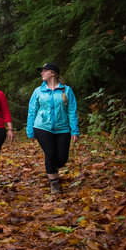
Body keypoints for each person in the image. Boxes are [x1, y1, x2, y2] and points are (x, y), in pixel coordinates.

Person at [26, 62, 79, 195]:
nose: (42, 73)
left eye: (45, 70)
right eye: (42, 71)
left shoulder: (66, 90)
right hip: (42, 127)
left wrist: (75, 130)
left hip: (63, 128)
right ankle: (53, 183)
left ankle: (52, 170)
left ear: (53, 73)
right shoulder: (38, 91)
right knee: (50, 153)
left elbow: (72, 111)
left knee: (61, 158)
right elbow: (32, 111)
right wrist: (30, 130)